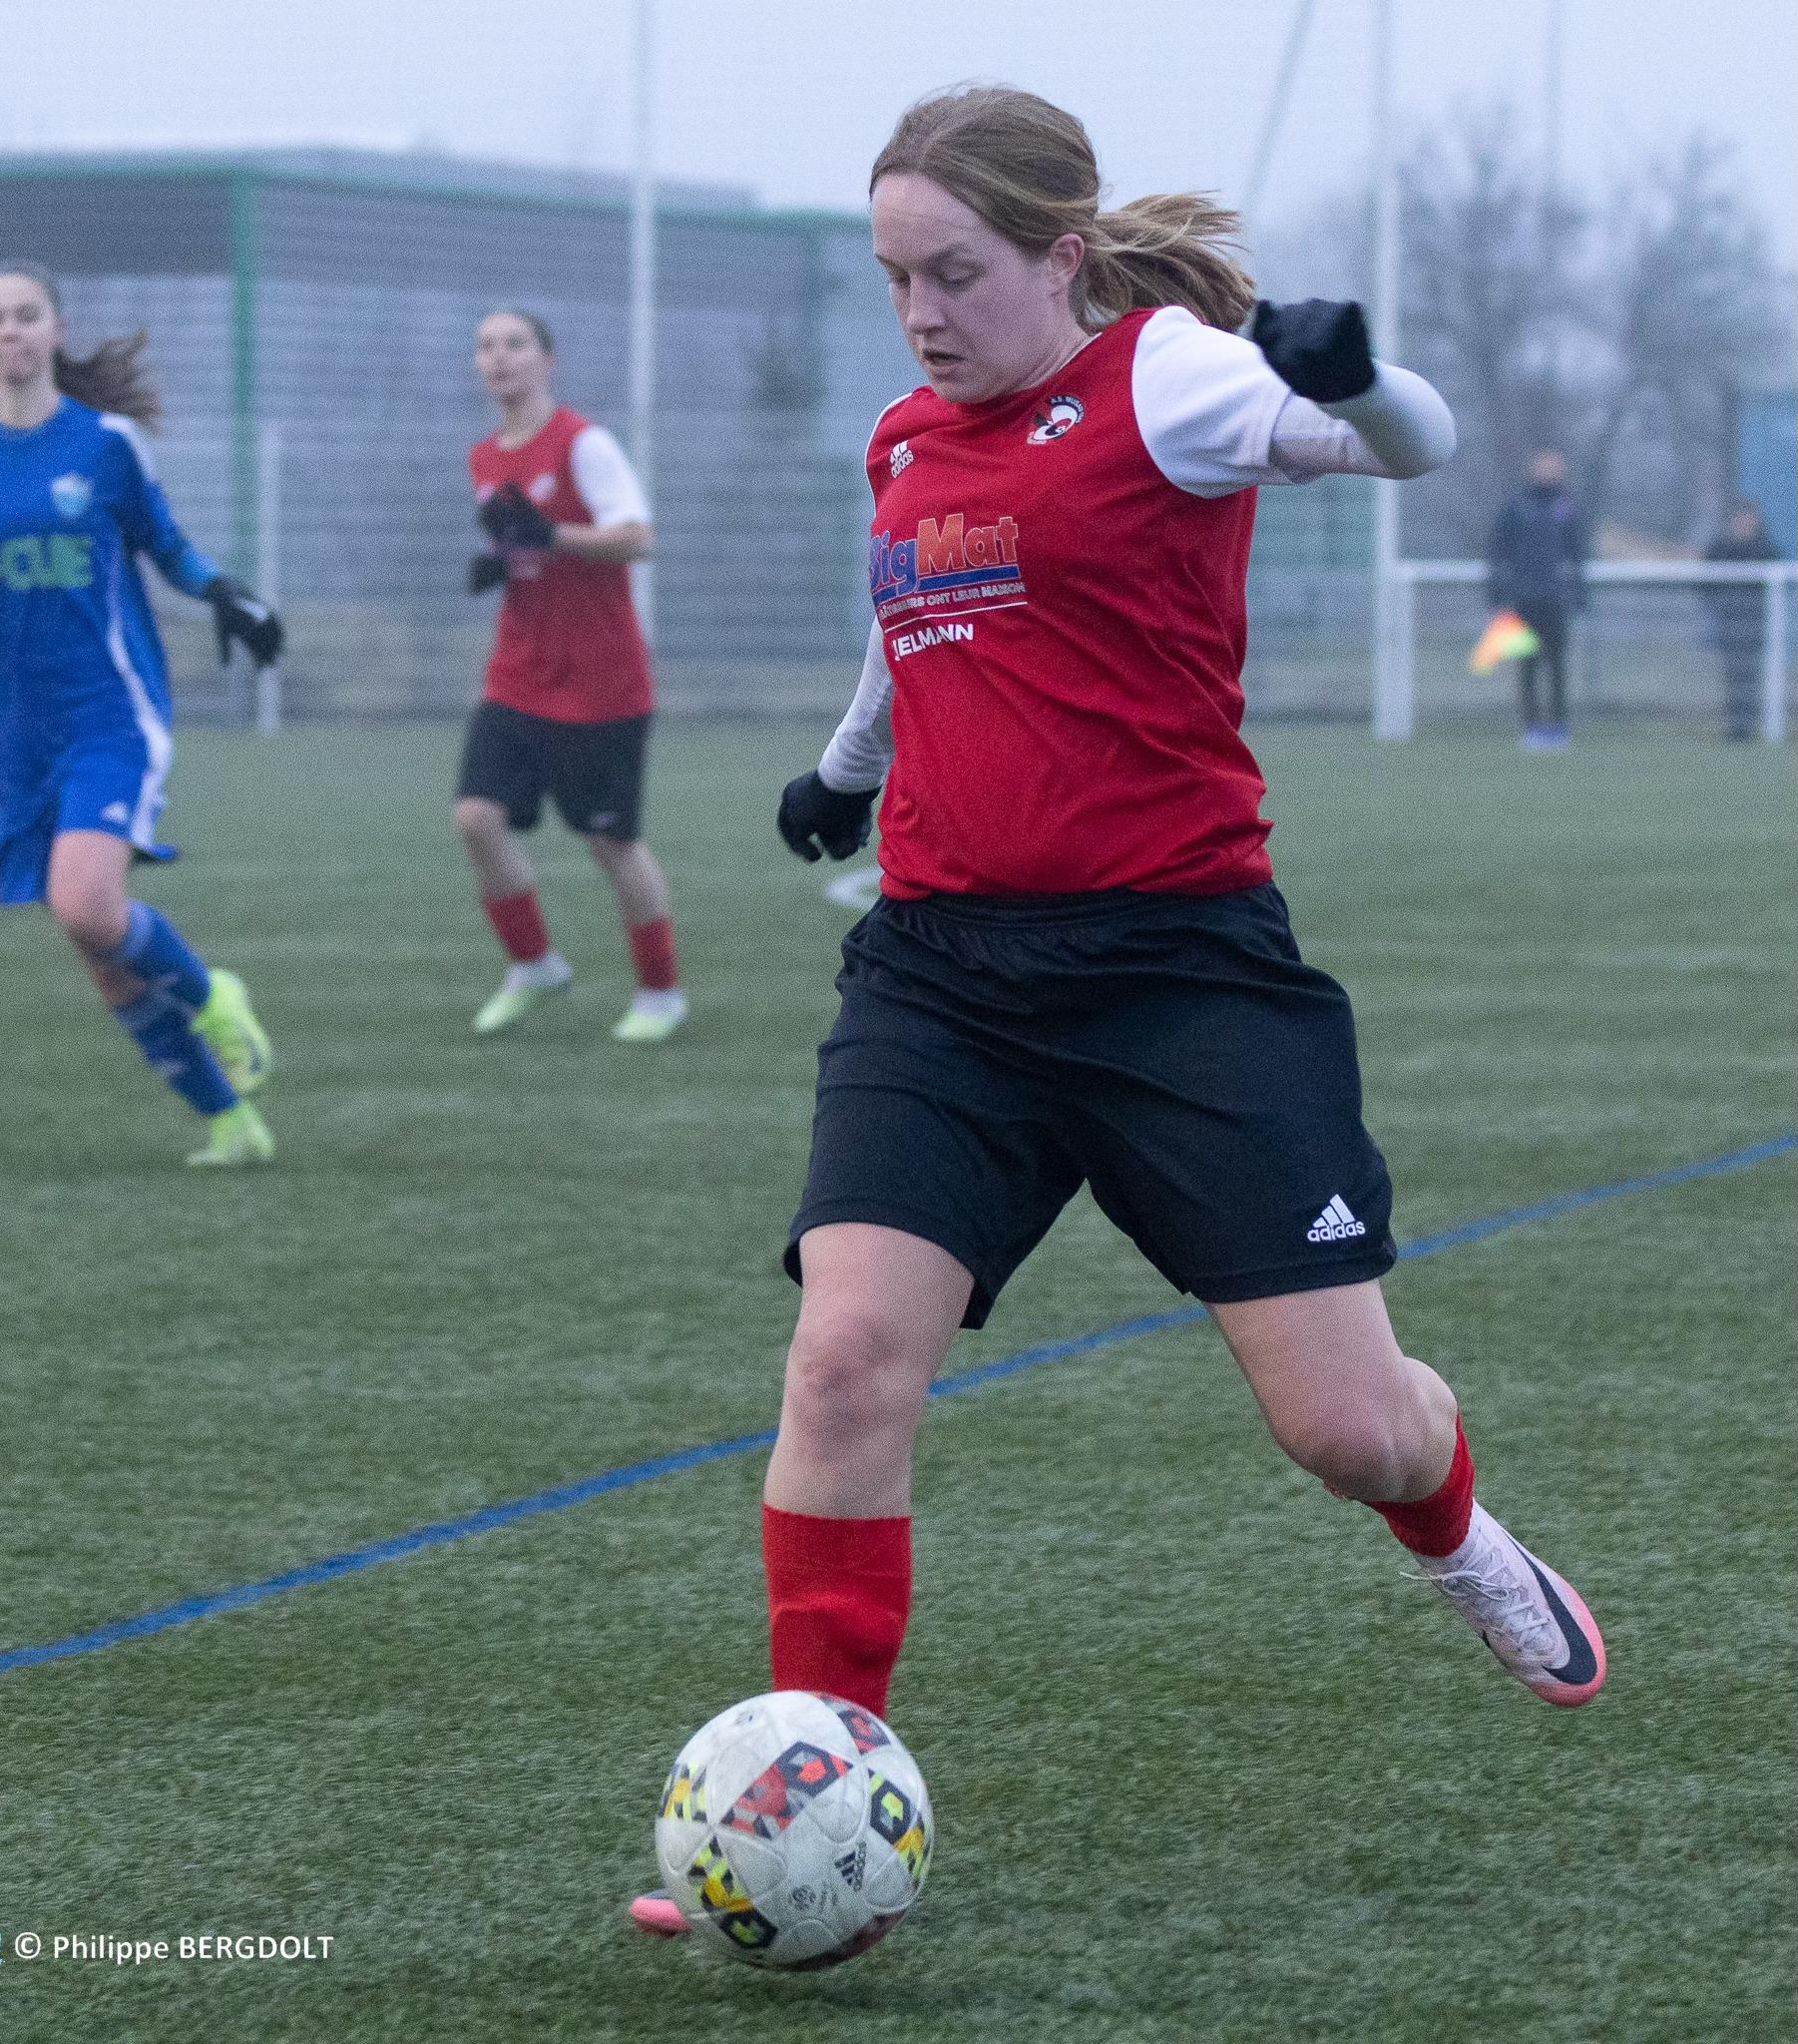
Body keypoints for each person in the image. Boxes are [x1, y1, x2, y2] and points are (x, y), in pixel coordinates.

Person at [628, 84, 1603, 1940]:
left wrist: (1357, 373)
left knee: (1349, 1432)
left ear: (1058, 256)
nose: (918, 312)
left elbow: (1407, 445)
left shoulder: (1167, 382)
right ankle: (800, 1802)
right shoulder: (905, 434)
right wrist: (844, 773)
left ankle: (1459, 1535)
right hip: (943, 977)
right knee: (842, 1366)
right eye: (892, 276)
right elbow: (907, 616)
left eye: (952, 272)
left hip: (1179, 980)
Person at [0, 261, 281, 1167]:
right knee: (101, 956)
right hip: (15, 735)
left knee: (85, 905)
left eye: (26, 315)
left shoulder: (106, 445)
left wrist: (224, 592)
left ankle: (216, 996)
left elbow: (165, 545)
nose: (10, 332)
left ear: (56, 330)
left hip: (108, 712)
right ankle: (230, 1121)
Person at [454, 308, 684, 1044]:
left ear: (546, 359)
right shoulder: (483, 457)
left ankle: (660, 993)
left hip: (601, 683)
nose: (499, 358)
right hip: (519, 673)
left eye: (515, 344)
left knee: (610, 845)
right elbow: (525, 547)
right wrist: (503, 562)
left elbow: (636, 538)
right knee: (476, 818)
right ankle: (534, 966)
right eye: (486, 347)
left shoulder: (583, 444)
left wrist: (551, 535)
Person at [1487, 447, 1588, 751]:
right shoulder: (1516, 506)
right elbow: (1497, 550)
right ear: (1533, 470)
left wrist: (1580, 592)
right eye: (1544, 466)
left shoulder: (1566, 507)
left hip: (1555, 600)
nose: (1549, 472)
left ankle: (1558, 727)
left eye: (1554, 467)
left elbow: (1578, 553)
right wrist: (1497, 594)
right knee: (1527, 664)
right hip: (1523, 601)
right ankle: (1532, 728)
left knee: (1557, 665)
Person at [1701, 496, 1781, 742]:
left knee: (1752, 674)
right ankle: (1736, 726)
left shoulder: (1764, 547)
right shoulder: (1720, 547)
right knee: (1733, 674)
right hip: (1729, 622)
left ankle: (1750, 725)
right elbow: (1704, 581)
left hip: (1755, 622)